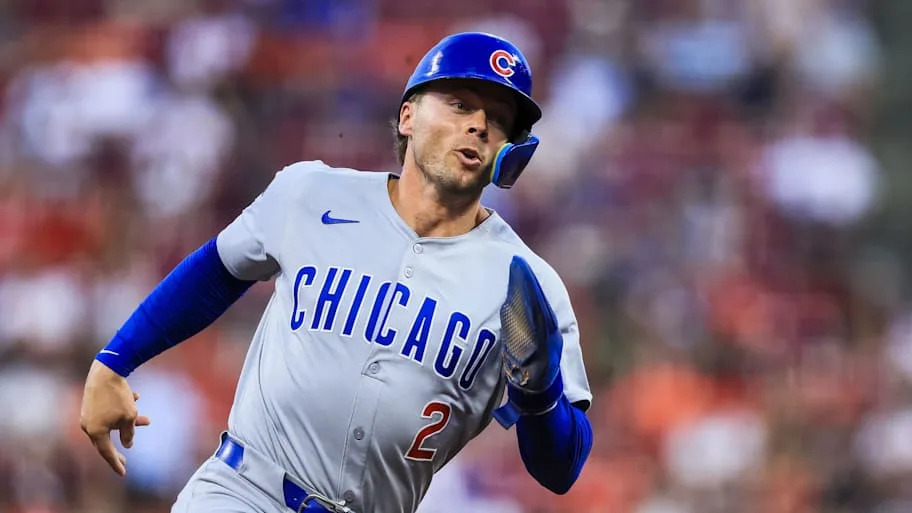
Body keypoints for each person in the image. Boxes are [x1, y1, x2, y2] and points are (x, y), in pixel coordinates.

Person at [80, 32, 593, 513]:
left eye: (498, 119)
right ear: (408, 116)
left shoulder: (528, 282)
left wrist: (540, 396)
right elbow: (218, 270)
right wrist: (114, 362)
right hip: (243, 492)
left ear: (510, 151)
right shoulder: (311, 194)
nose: (479, 125)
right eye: (460, 105)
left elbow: (561, 469)